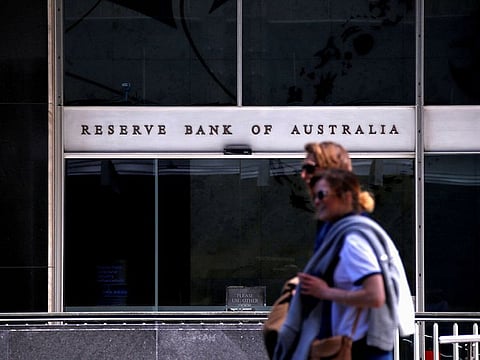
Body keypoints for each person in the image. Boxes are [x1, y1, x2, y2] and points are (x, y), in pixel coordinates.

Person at [273, 168, 414, 360]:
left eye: (322, 195)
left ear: (345, 197)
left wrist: (323, 292)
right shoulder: (350, 233)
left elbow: (375, 295)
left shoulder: (353, 240)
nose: (317, 201)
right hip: (358, 345)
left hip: (360, 348)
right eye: (314, 196)